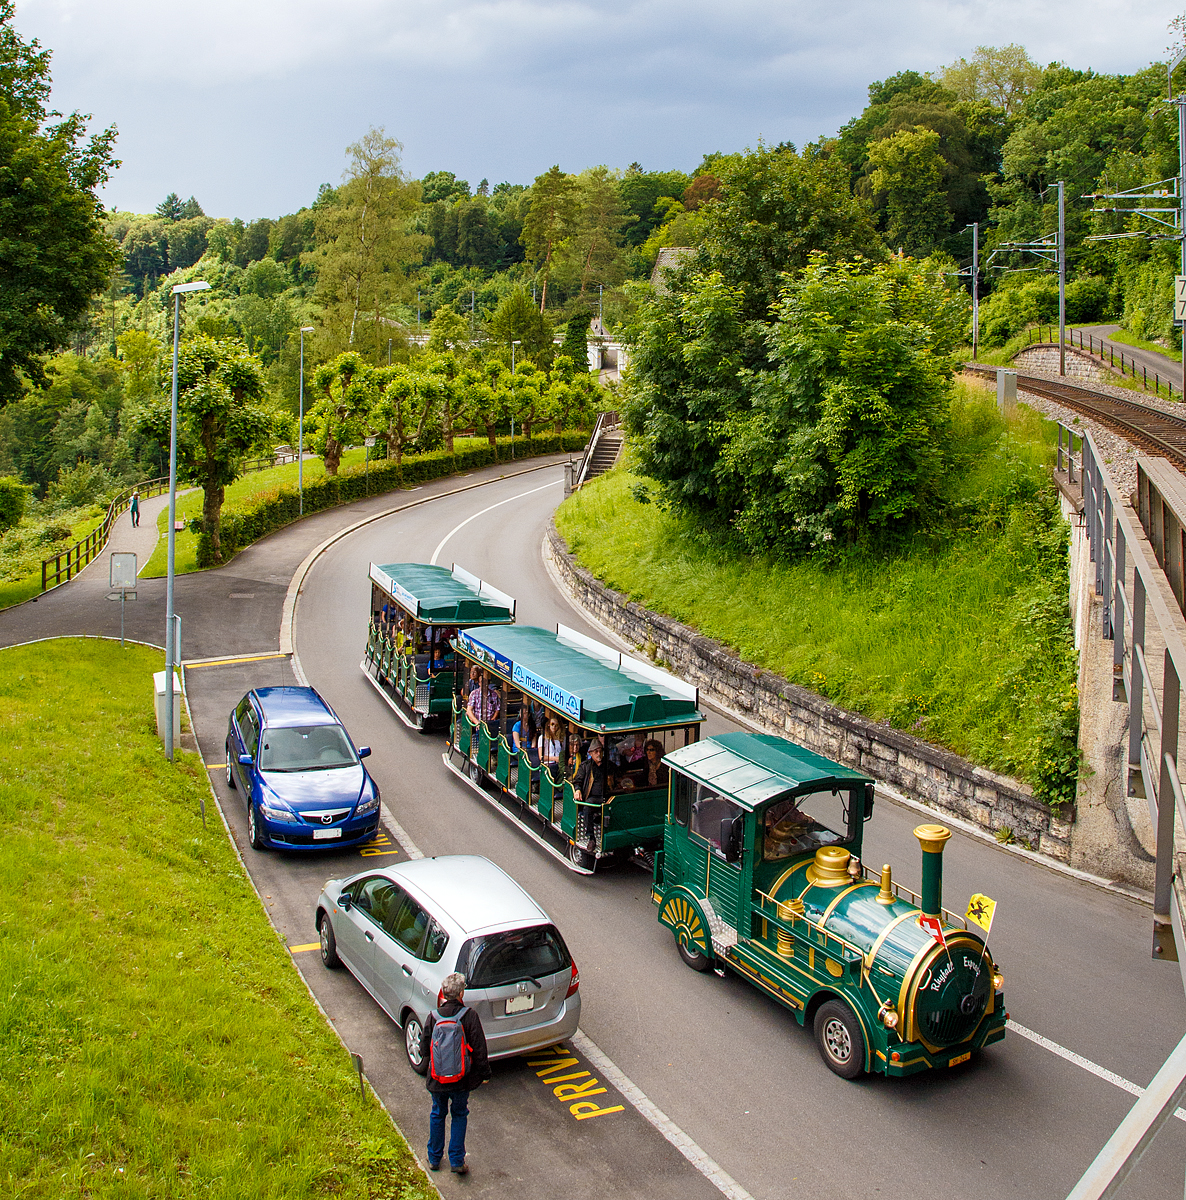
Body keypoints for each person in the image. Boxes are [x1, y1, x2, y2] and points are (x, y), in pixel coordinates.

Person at [420, 972, 490, 1175]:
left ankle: (434, 1158)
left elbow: (424, 1050)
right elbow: (479, 1049)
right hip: (461, 1080)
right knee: (459, 1114)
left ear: (444, 993)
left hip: (437, 1079)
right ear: (461, 994)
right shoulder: (469, 1016)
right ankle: (457, 1161)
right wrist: (484, 1074)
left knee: (437, 1113)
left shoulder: (433, 1017)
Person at [572, 739, 614, 805]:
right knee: (588, 806)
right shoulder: (585, 766)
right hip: (592, 798)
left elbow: (618, 778)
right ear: (590, 753)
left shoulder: (610, 765)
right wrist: (577, 790)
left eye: (601, 751)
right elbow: (577, 781)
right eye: (596, 751)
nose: (599, 754)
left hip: (608, 797)